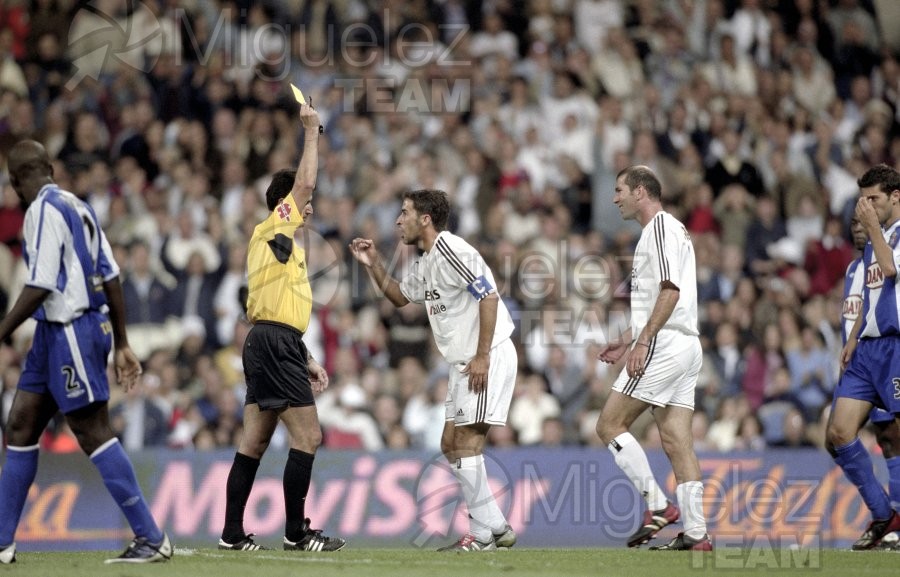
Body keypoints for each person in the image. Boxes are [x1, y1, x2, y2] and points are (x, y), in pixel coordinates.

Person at [0, 140, 171, 564]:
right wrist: (122, 342)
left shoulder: (40, 210)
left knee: (91, 429)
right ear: (50, 167)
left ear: (16, 182)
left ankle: (151, 538)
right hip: (55, 333)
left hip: (70, 329)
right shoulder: (79, 205)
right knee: (20, 426)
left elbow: (41, 285)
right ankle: (1, 541)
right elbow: (111, 275)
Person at [349, 189, 518, 552]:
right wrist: (373, 263)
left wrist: (483, 355)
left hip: (485, 355)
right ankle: (496, 526)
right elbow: (398, 297)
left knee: (467, 444)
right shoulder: (425, 262)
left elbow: (487, 296)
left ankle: (484, 536)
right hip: (463, 362)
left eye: (404, 212)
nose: (397, 220)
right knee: (449, 444)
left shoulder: (452, 250)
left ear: (425, 219)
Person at [217, 102, 345, 552]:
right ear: (285, 203)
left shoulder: (283, 243)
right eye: (301, 201)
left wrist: (306, 358)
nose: (309, 205)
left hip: (272, 340)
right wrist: (312, 132)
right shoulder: (274, 226)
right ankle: (296, 533)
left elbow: (281, 308)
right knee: (308, 435)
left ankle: (232, 534)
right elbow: (306, 182)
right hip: (272, 342)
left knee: (254, 440)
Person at [595, 165, 712, 551]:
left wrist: (643, 342)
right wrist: (628, 339)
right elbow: (659, 300)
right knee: (678, 440)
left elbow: (670, 290)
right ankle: (697, 534)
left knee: (609, 424)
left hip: (664, 344)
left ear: (641, 192)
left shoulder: (660, 228)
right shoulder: (664, 231)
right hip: (683, 344)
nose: (615, 199)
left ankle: (659, 506)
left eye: (620, 191)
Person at [828, 164, 900, 550]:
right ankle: (884, 514)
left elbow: (890, 270)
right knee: (838, 433)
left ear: (895, 197)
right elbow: (871, 297)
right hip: (867, 349)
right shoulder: (874, 242)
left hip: (896, 346)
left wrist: (872, 227)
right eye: (864, 199)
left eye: (874, 199)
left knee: (896, 437)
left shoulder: (891, 237)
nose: (866, 207)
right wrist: (853, 336)